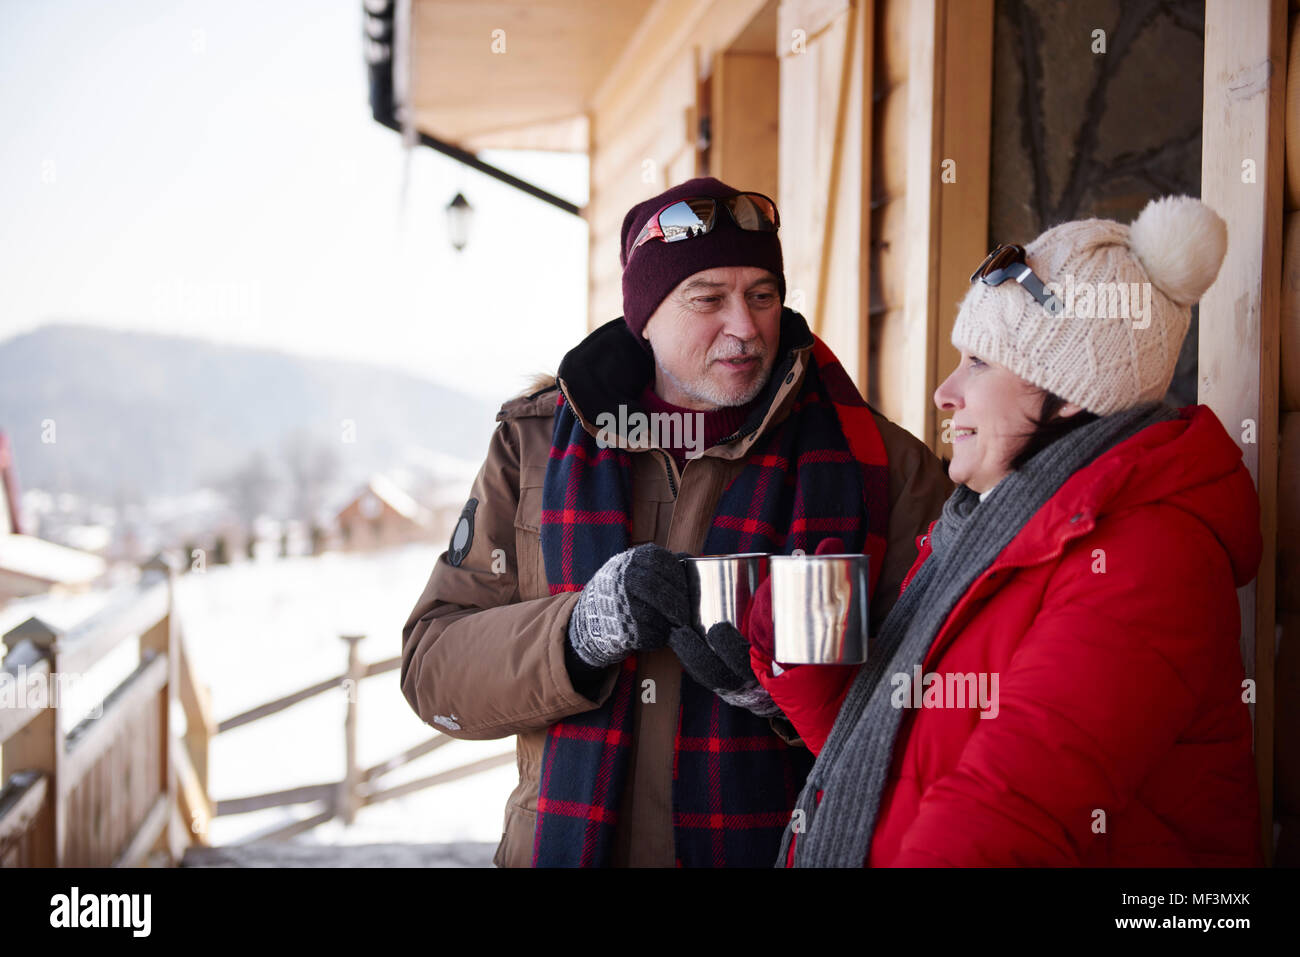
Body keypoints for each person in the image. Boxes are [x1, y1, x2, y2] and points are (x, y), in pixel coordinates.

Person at [399, 177, 953, 867]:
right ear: (647, 315)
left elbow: (948, 705)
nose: (746, 326)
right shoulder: (533, 447)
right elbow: (434, 669)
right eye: (709, 298)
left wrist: (790, 693)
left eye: (762, 294)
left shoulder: (879, 461)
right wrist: (574, 633)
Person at [746, 194, 1264, 866]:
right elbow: (908, 770)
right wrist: (803, 659)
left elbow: (1000, 820)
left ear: (1069, 390)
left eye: (980, 363)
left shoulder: (1147, 560)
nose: (945, 391)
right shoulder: (992, 530)